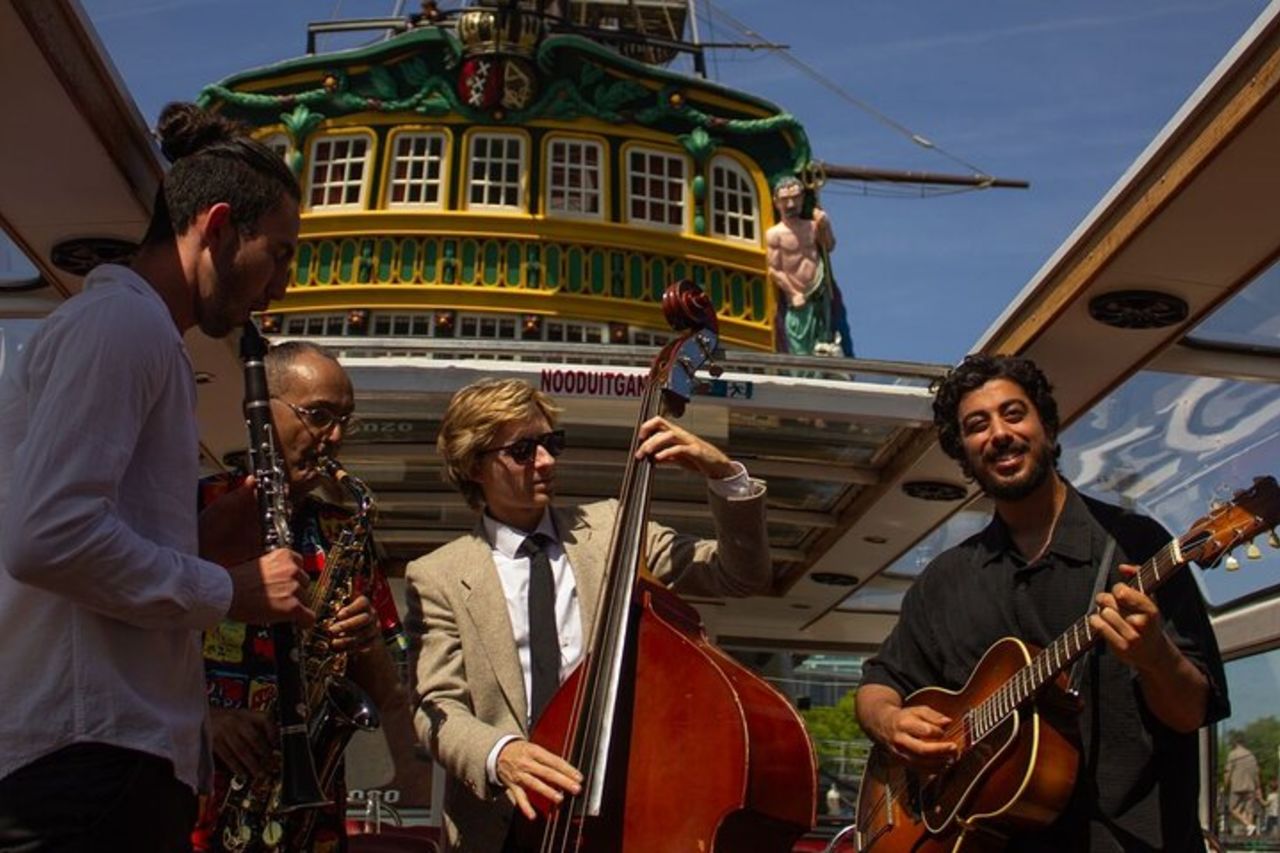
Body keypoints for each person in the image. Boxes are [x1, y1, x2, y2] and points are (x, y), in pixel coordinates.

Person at [0, 103, 310, 851]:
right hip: (87, 763)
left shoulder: (132, 331)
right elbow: (47, 539)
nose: (282, 287)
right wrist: (229, 589)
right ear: (217, 227)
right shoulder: (124, 326)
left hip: (97, 761)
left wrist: (199, 544)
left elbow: (69, 545)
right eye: (280, 253)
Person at [854, 354, 1229, 852]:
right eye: (976, 425)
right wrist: (891, 724)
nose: (999, 433)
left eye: (1014, 413)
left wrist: (1154, 655)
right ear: (963, 453)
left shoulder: (1135, 547)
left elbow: (1190, 713)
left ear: (1047, 427)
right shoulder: (944, 581)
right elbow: (878, 686)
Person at [404, 377, 773, 853]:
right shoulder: (437, 575)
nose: (546, 461)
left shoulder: (612, 527)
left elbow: (739, 575)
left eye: (550, 443)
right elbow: (437, 707)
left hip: (621, 808)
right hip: (500, 828)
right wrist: (501, 754)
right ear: (475, 466)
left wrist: (724, 476)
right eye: (522, 450)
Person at [191, 342, 413, 852]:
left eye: (344, 421)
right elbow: (125, 641)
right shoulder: (191, 506)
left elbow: (386, 696)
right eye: (318, 415)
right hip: (192, 798)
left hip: (308, 820)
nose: (333, 437)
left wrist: (363, 644)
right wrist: (203, 720)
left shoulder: (342, 532)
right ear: (261, 411)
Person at [765, 175, 840, 356]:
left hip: (818, 290)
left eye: (796, 197)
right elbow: (774, 270)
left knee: (823, 343)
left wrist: (825, 225)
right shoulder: (775, 234)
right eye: (785, 199)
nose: (791, 204)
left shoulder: (812, 227)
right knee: (799, 345)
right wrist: (793, 293)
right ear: (776, 202)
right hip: (797, 297)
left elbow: (828, 245)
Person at [1223, 733, 1263, 836]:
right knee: (1248, 810)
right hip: (1251, 786)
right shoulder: (1251, 755)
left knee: (1232, 809)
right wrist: (1258, 787)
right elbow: (1256, 773)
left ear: (1235, 743)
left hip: (1237, 786)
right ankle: (1250, 832)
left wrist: (1225, 786)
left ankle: (1248, 825)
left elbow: (1228, 772)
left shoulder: (1233, 754)